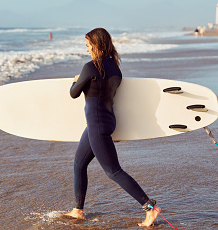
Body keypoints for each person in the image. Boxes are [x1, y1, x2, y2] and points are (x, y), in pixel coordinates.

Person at [64, 28, 160, 227]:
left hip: (97, 125)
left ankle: (150, 208)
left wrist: (75, 80)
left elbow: (73, 93)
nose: (88, 49)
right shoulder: (116, 69)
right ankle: (77, 210)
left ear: (98, 45)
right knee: (79, 164)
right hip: (105, 122)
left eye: (89, 45)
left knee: (113, 171)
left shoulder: (90, 68)